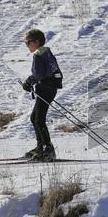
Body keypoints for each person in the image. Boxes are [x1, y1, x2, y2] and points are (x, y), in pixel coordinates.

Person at [22, 29, 63, 162]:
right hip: (48, 88)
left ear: (36, 42)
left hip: (46, 89)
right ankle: (41, 147)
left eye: (28, 43)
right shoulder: (46, 52)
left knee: (38, 119)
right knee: (34, 118)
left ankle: (48, 150)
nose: (27, 45)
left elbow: (38, 74)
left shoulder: (39, 54)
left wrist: (29, 81)